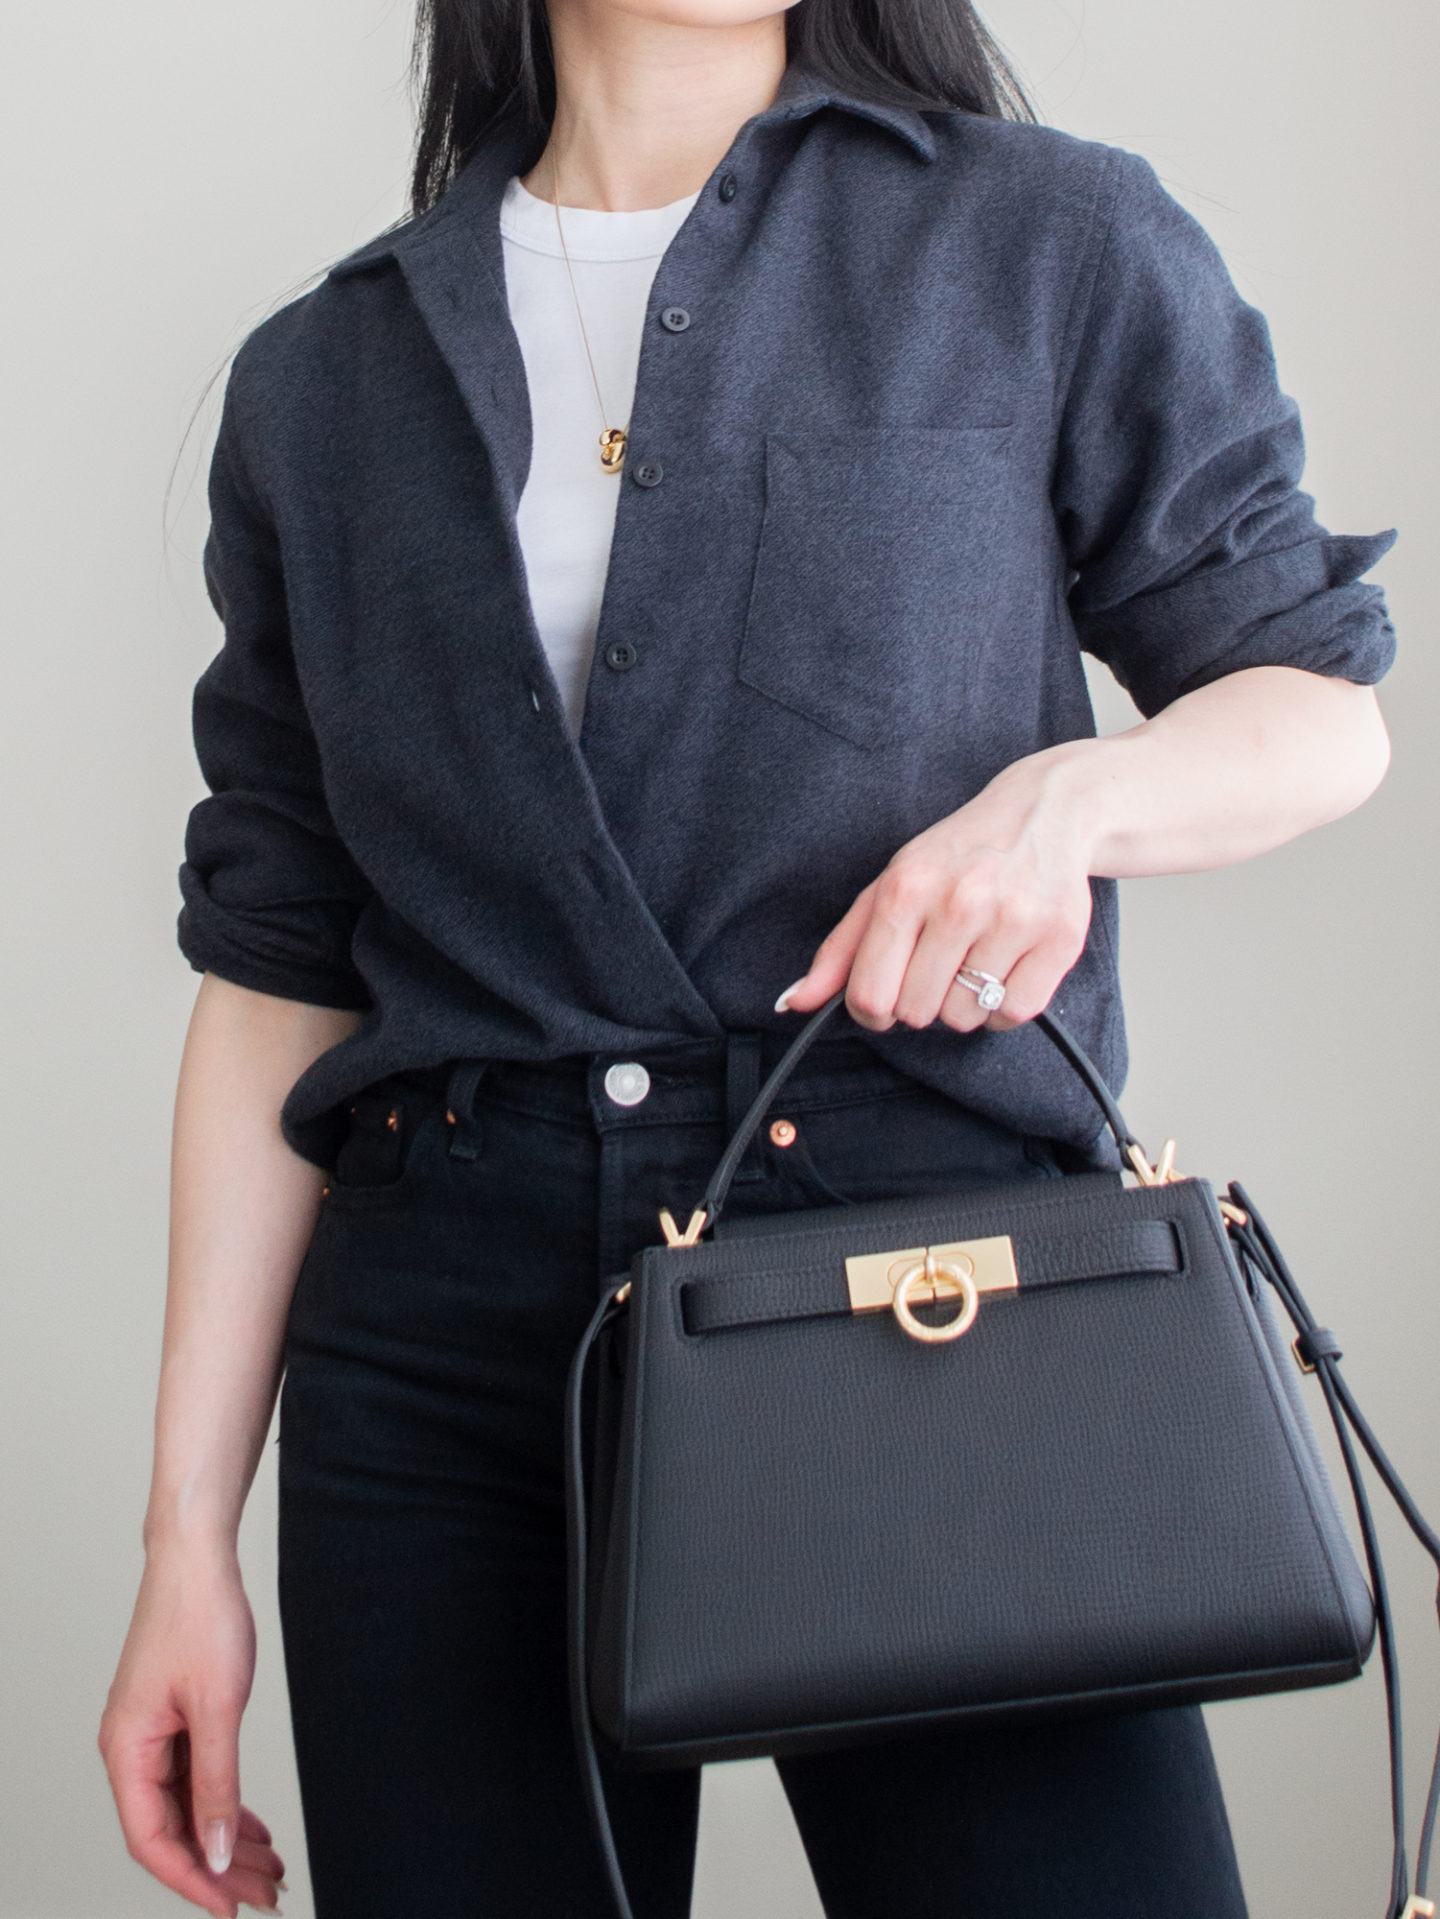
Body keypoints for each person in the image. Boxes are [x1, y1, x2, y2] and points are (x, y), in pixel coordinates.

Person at [97, 0, 1397, 1910]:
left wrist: (1069, 807)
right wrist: (184, 1547)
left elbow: (1318, 704)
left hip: (930, 1297)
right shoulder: (325, 373)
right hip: (449, 1355)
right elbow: (283, 967)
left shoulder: (1050, 239)